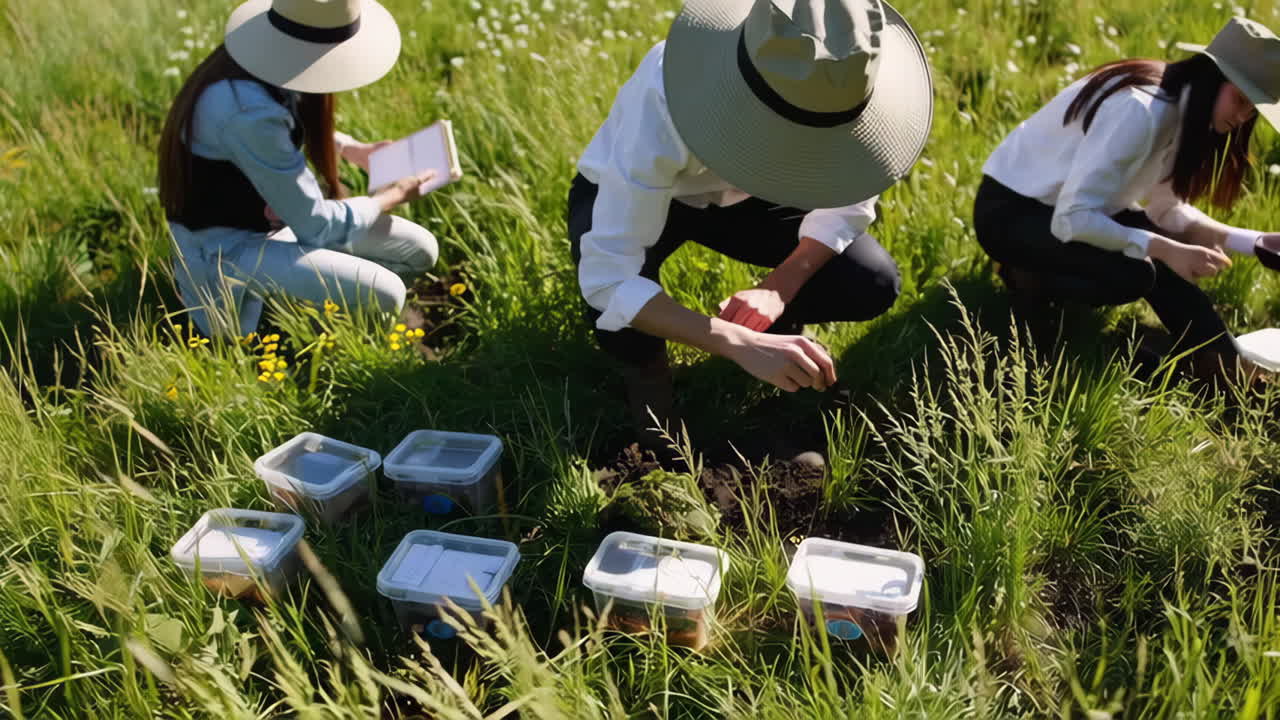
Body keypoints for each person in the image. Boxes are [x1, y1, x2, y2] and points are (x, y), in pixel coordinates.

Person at [569, 0, 933, 446]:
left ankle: (778, 338)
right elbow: (609, 278)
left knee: (868, 278)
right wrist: (736, 342)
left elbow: (849, 203)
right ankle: (650, 386)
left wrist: (779, 288)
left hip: (753, 197)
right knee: (613, 297)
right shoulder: (671, 93)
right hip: (649, 189)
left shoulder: (849, 83)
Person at [974, 17, 1280, 385]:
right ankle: (1030, 283)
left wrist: (1253, 242)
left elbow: (1165, 209)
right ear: (1211, 77)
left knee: (1160, 259)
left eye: (1252, 110)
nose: (1242, 117)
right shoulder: (1140, 111)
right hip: (1011, 214)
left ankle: (1226, 368)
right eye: (1240, 100)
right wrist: (1166, 248)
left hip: (1071, 210)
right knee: (1135, 272)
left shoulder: (1185, 108)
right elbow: (1072, 219)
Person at [158, 0, 440, 337]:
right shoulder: (246, 111)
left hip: (274, 219)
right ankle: (345, 341)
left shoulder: (262, 58)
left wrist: (351, 148)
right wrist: (390, 197)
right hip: (226, 249)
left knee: (421, 248)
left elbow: (278, 131)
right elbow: (317, 224)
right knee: (386, 291)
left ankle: (326, 310)